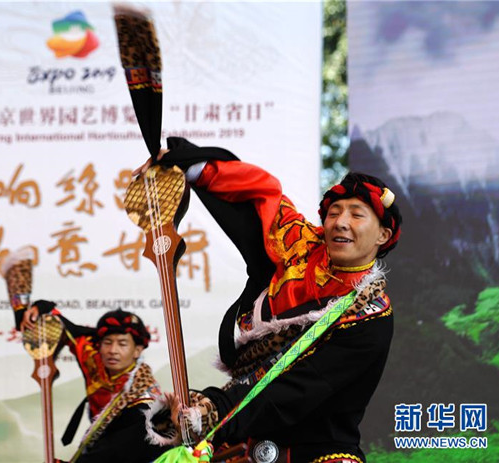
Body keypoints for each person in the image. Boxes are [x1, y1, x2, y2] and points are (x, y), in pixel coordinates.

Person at [138, 137, 402, 463]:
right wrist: (182, 165)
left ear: (383, 235)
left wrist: (213, 411)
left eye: (357, 214)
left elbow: (291, 392)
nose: (341, 222)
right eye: (334, 212)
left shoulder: (370, 316)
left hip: (320, 453)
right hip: (246, 441)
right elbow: (260, 196)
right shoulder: (299, 247)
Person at [1, 257, 169, 463]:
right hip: (98, 446)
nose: (113, 350)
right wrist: (38, 309)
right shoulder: (92, 356)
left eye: (122, 344)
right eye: (108, 342)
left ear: (137, 350)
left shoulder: (144, 395)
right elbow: (61, 327)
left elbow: (120, 448)